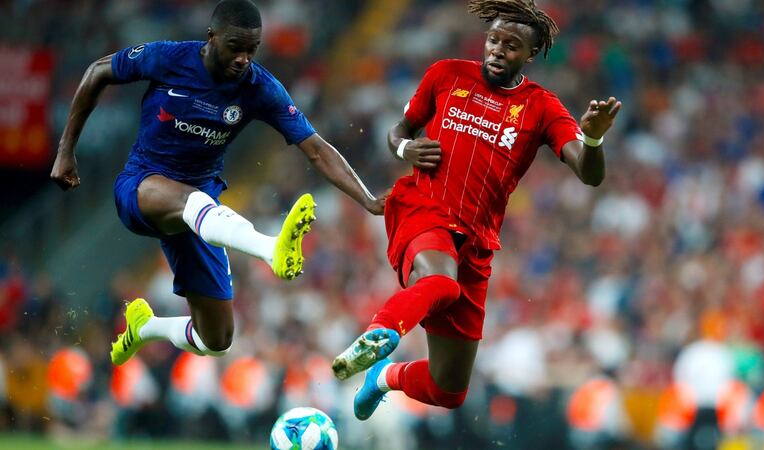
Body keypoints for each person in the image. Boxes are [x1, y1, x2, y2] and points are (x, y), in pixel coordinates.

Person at [332, 0, 622, 420]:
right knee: (441, 283)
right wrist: (405, 148)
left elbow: (589, 174)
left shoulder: (541, 107)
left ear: (530, 54)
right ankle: (379, 333)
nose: (498, 50)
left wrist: (593, 140)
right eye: (494, 40)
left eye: (511, 45)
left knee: (447, 389)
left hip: (475, 242)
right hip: (423, 210)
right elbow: (399, 132)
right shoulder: (446, 75)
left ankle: (382, 376)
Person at [50, 0, 384, 365]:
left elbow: (316, 149)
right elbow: (98, 71)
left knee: (216, 339)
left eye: (252, 50)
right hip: (142, 187)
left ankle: (146, 327)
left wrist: (367, 199)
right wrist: (66, 151)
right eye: (235, 47)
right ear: (211, 37)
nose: (244, 59)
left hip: (200, 212)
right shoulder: (169, 58)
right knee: (194, 201)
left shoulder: (260, 88)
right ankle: (270, 249)